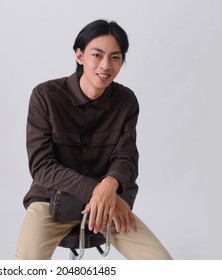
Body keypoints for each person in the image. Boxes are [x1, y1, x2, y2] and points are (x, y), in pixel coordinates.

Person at [14, 19, 172, 260]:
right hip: (50, 202)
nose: (106, 65)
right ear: (79, 56)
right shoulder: (45, 97)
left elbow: (127, 158)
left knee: (162, 264)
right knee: (26, 266)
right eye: (97, 55)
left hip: (108, 204)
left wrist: (109, 187)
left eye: (116, 57)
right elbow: (41, 167)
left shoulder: (126, 101)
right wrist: (96, 190)